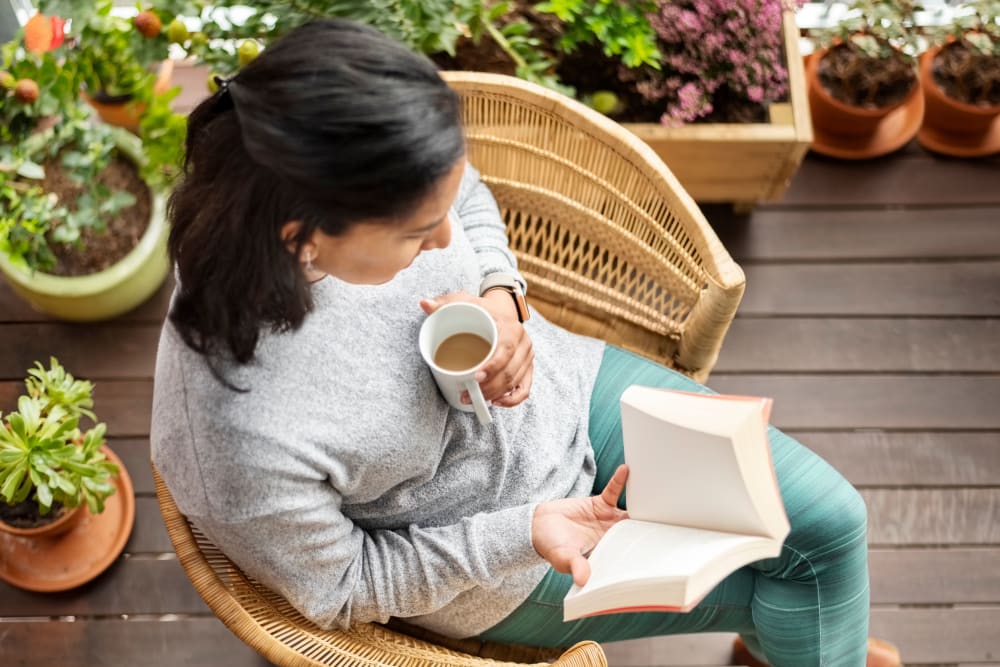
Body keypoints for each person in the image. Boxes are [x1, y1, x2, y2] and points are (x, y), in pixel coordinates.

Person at [150, 19, 899, 667]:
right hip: (503, 561)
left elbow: (464, 197)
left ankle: (798, 640)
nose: (446, 239)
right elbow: (344, 587)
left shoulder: (351, 158)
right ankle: (796, 638)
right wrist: (521, 529)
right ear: (301, 236)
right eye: (417, 235)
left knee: (832, 523)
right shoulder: (239, 438)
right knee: (796, 577)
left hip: (569, 386)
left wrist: (503, 298)